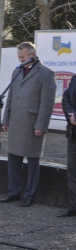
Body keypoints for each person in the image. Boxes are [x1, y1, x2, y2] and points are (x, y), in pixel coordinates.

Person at [0, 42, 56, 207]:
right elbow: (10, 97)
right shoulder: (17, 71)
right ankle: (13, 192)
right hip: (16, 122)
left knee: (32, 162)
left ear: (32, 55)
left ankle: (29, 196)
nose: (20, 59)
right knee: (13, 160)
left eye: (23, 57)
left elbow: (47, 103)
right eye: (19, 57)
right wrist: (5, 119)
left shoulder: (46, 73)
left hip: (33, 124)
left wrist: (41, 125)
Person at [58, 75, 76, 217]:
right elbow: (66, 98)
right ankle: (73, 206)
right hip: (73, 134)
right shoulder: (75, 78)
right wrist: (71, 114)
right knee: (72, 173)